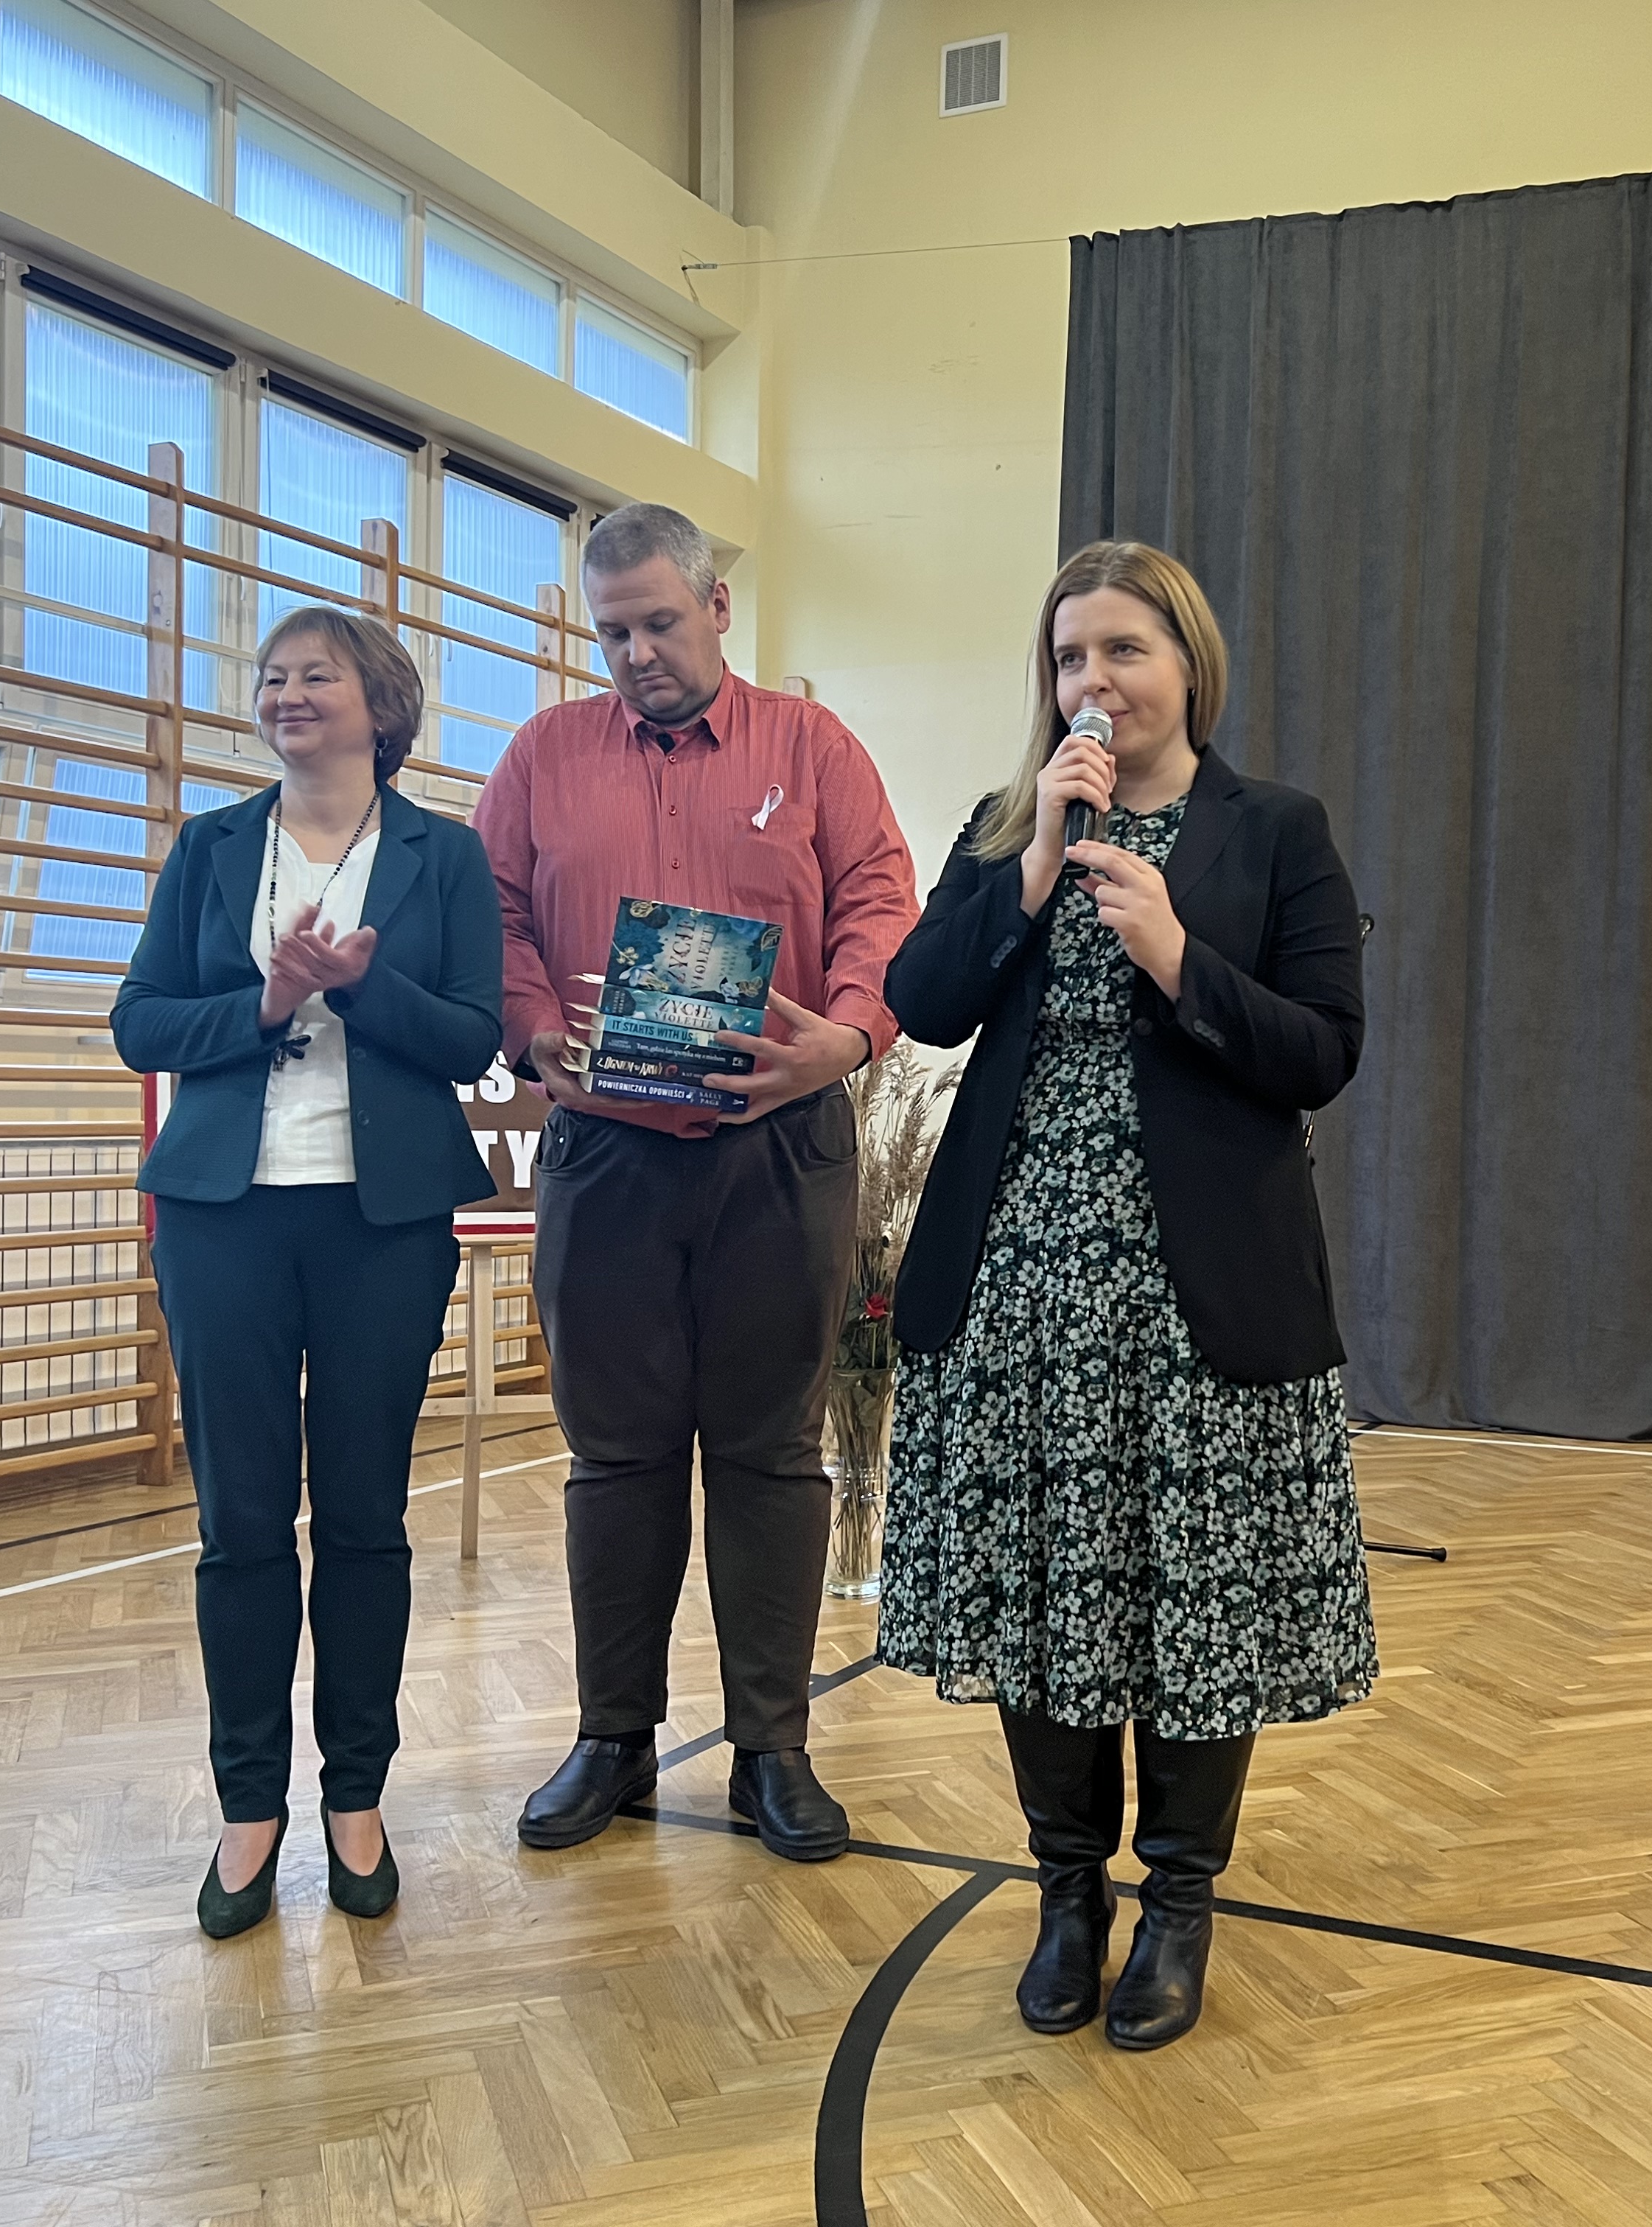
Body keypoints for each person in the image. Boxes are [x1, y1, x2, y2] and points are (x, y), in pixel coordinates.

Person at [877, 541, 1378, 2051]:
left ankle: (1178, 1904)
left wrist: (1174, 955)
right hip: (1020, 1282)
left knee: (1197, 1597)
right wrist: (1033, 863)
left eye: (1122, 650)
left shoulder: (1276, 830)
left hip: (1200, 1291)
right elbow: (921, 1003)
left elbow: (1323, 1051)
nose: (1090, 682)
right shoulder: (1006, 826)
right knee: (1047, 1591)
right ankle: (1063, 1892)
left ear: (1187, 665)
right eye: (1067, 657)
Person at [473, 503, 920, 1864]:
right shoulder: (544, 757)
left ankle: (772, 1751)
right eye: (611, 632)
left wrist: (848, 1036)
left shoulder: (812, 746)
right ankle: (612, 1737)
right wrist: (531, 1029)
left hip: (778, 1145)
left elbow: (881, 901)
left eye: (660, 624)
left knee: (772, 1451)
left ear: (719, 607)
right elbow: (491, 914)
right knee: (616, 1455)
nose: (637, 654)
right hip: (606, 1149)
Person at [114, 606, 504, 1939]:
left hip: (381, 1225)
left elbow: (471, 1038)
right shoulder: (212, 847)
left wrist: (358, 988)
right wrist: (268, 1005)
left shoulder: (446, 856)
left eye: (315, 676)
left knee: (363, 1520)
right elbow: (140, 1022)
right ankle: (247, 1809)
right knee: (239, 1525)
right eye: (272, 677)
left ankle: (356, 1799)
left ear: (380, 707)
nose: (287, 694)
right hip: (221, 1220)